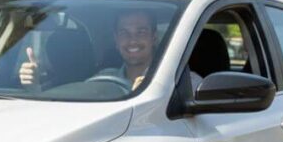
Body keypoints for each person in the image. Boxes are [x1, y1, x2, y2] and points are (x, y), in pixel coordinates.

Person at [19, 9, 200, 90]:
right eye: (124, 32)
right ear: (116, 40)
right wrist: (34, 87)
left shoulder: (184, 82)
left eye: (141, 31)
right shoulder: (103, 79)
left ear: (154, 37)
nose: (132, 40)